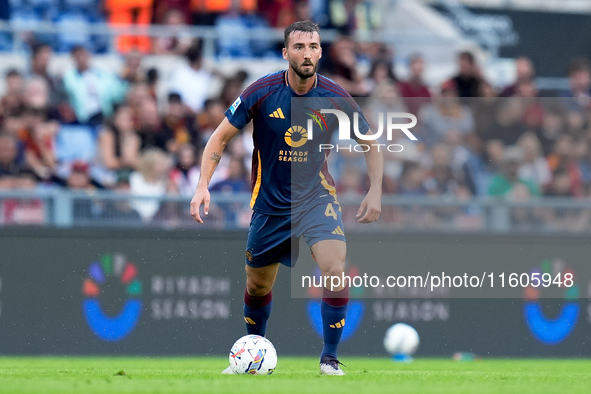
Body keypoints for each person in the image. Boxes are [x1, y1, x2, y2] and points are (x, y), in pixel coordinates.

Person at [190, 20, 383, 375]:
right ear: (285, 53)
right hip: (270, 204)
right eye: (299, 47)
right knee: (257, 284)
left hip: (316, 200)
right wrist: (203, 184)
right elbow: (218, 139)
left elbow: (370, 142)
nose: (306, 54)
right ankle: (251, 352)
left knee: (335, 270)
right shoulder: (260, 92)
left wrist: (375, 189)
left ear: (321, 52)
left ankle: (329, 358)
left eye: (313, 47)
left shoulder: (335, 95)